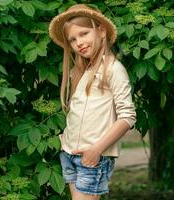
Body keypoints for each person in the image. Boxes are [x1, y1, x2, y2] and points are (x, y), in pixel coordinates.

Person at [49, 4, 136, 200]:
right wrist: (67, 140)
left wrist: (96, 150)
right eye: (72, 39)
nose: (79, 42)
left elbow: (127, 117)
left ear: (101, 31)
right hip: (70, 154)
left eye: (84, 33)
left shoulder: (114, 69)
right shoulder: (79, 73)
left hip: (93, 157)